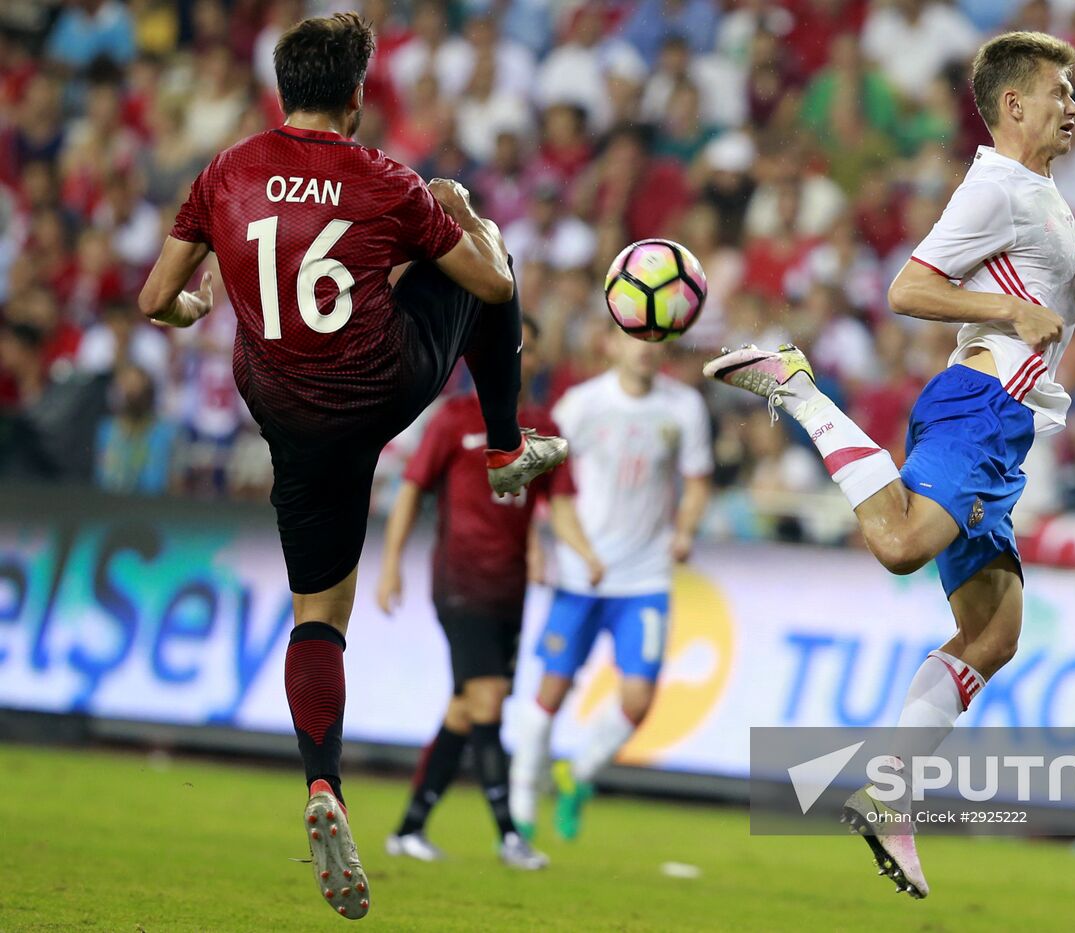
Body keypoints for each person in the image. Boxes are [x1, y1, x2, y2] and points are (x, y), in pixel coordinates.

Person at [136, 12, 567, 920]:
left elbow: (153, 299)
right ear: (359, 96)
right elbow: (490, 288)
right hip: (374, 386)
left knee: (319, 616)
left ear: (280, 87)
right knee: (490, 252)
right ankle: (504, 446)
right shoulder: (383, 179)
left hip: (287, 409)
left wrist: (194, 305)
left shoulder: (227, 171)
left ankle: (321, 785)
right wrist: (460, 213)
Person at [704, 31, 1075, 899]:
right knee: (898, 545)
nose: (1073, 105)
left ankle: (889, 796)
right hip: (982, 406)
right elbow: (910, 287)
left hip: (1008, 432)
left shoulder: (1040, 192)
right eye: (1059, 91)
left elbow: (1036, 296)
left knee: (995, 633)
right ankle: (798, 389)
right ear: (1013, 105)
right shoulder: (995, 184)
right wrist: (1011, 308)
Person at [376, 316, 566, 871]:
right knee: (487, 702)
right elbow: (410, 491)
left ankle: (410, 828)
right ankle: (509, 835)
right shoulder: (454, 420)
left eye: (528, 350)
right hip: (460, 583)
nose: (519, 358)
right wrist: (390, 564)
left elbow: (545, 505)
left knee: (466, 710)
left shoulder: (541, 427)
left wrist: (540, 548)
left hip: (511, 589)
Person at [508, 330, 712, 843]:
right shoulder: (581, 405)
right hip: (580, 574)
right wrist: (537, 544)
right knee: (550, 692)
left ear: (666, 348)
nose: (644, 346)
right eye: (632, 336)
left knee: (639, 699)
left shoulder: (683, 408)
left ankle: (576, 776)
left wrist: (685, 530)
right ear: (609, 344)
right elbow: (542, 477)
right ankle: (520, 808)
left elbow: (697, 480)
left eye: (655, 337)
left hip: (644, 577)